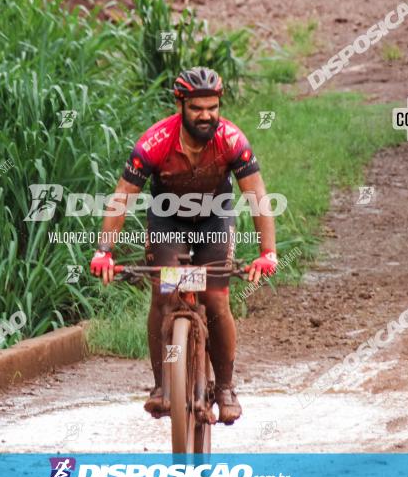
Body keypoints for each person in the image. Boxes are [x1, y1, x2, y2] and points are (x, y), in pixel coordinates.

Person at [90, 66, 278, 425]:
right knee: (164, 294)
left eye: (212, 107)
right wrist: (104, 251)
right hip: (168, 221)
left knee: (215, 298)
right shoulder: (155, 142)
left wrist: (267, 252)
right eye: (197, 108)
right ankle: (162, 386)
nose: (206, 115)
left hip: (214, 219)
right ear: (181, 105)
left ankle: (224, 387)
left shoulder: (233, 141)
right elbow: (122, 197)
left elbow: (256, 194)